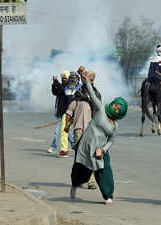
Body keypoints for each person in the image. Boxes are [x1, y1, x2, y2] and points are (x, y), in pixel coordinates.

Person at [70, 70, 128, 206]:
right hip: (87, 144)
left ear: (122, 113)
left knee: (104, 170)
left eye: (119, 108)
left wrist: (103, 149)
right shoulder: (101, 109)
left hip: (99, 149)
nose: (116, 108)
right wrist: (86, 80)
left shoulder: (115, 126)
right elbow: (91, 93)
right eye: (115, 105)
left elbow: (111, 140)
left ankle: (108, 195)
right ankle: (74, 185)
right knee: (80, 168)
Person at [65, 67, 101, 190]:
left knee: (90, 156)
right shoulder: (78, 94)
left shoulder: (95, 95)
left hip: (91, 131)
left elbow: (99, 114)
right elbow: (70, 111)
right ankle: (78, 179)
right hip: (79, 130)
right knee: (80, 156)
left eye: (87, 79)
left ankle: (91, 181)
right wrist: (67, 125)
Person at [49, 71, 75, 158]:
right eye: (63, 78)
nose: (64, 80)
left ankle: (58, 148)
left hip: (67, 112)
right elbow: (55, 92)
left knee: (61, 131)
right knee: (65, 131)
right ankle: (74, 144)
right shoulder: (61, 86)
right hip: (60, 112)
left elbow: (63, 90)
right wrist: (53, 83)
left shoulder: (69, 86)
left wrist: (56, 82)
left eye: (65, 78)